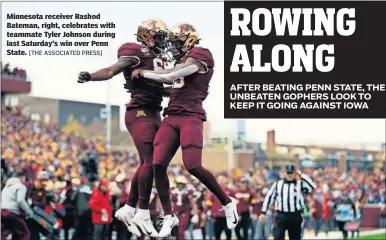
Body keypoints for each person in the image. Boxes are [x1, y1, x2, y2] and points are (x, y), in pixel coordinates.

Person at [132, 22, 238, 238]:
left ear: (189, 39)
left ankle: (227, 203)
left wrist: (143, 73)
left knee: (192, 165)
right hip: (171, 116)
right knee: (156, 164)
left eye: (176, 40)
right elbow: (172, 87)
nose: (172, 45)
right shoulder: (181, 61)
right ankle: (169, 214)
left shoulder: (201, 54)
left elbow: (168, 76)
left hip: (191, 117)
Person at [77, 19, 170, 238]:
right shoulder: (134, 52)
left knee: (154, 162)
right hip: (139, 112)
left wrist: (186, 92)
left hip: (154, 111)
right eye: (158, 35)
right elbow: (111, 70)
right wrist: (91, 76)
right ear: (146, 35)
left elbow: (161, 90)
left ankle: (129, 208)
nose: (162, 39)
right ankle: (137, 210)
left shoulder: (158, 59)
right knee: (149, 161)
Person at [259, 163, 316, 240]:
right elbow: (269, 197)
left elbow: (312, 186)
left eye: (291, 173)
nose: (290, 175)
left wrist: (301, 175)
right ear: (284, 173)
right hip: (281, 216)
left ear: (295, 173)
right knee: (278, 236)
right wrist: (263, 212)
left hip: (295, 216)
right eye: (288, 173)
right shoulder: (278, 184)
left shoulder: (300, 184)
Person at [1, 172, 33, 240]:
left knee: (4, 233)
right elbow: (20, 200)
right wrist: (28, 211)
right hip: (13, 213)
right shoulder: (20, 186)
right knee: (25, 233)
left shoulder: (6, 187)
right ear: (21, 177)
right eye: (24, 178)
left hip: (2, 212)